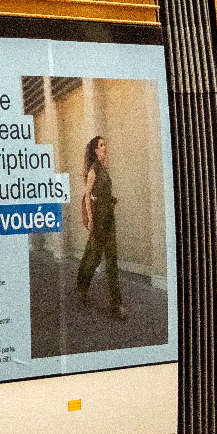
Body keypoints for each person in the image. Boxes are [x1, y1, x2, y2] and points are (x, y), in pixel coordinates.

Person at [77, 135, 127, 319]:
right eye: (102, 145)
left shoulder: (104, 170)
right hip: (99, 221)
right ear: (96, 150)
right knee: (94, 257)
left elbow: (101, 193)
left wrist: (111, 199)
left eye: (105, 144)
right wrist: (90, 220)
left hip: (109, 219)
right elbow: (88, 195)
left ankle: (116, 304)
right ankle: (81, 288)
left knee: (111, 260)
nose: (105, 147)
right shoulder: (94, 170)